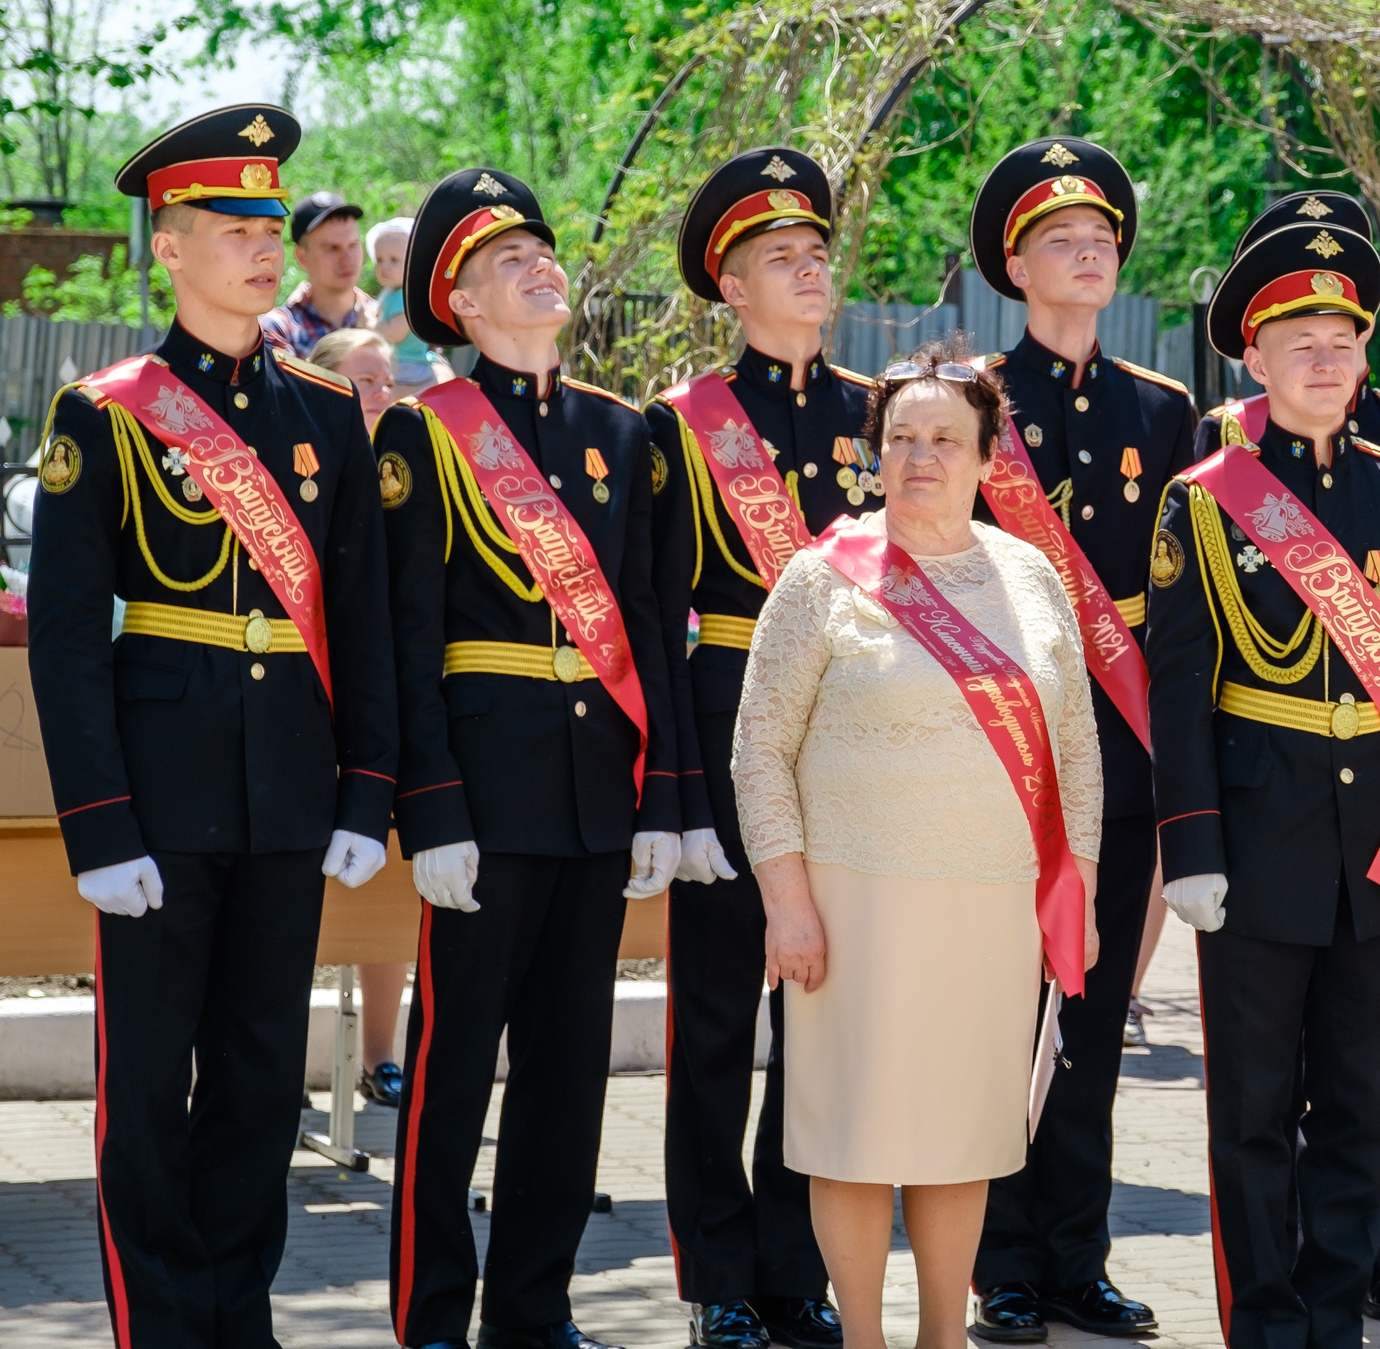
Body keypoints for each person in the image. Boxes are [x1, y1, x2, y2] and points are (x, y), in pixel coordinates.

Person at [27, 103, 400, 1349]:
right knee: (147, 1082)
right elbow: (72, 637)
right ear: (166, 247)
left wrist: (364, 792)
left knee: (256, 1076)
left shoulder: (319, 409)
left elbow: (363, 614)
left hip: (287, 788)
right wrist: (97, 823)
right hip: (157, 792)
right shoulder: (107, 412)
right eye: (229, 223)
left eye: (266, 220)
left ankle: (238, 1314)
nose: (259, 242)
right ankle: (160, 1322)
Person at [1147, 220, 1380, 1349]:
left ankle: (1333, 1321)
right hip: (1254, 835)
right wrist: (1187, 845)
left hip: (1377, 841)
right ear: (1254, 358)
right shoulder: (1204, 499)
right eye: (1299, 337)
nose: (1325, 357)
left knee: (1355, 1107)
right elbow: (1179, 686)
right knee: (1250, 1112)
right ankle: (1267, 1325)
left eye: (1342, 336)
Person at [729, 343, 1104, 1349]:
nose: (922, 457)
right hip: (852, 906)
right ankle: (864, 1337)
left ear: (988, 458)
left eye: (946, 438)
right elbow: (759, 745)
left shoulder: (1029, 574)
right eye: (901, 438)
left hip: (990, 903)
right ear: (874, 455)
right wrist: (787, 902)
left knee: (958, 1141)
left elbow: (1076, 747)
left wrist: (1082, 895)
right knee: (849, 1139)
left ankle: (943, 1335)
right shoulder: (820, 580)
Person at [376, 167, 684, 1349]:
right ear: (456, 295)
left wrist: (659, 798)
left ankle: (533, 1311)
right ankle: (433, 1314)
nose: (540, 268)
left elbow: (646, 625)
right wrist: (433, 807)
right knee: (453, 1080)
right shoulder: (425, 431)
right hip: (486, 796)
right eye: (510, 259)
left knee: (566, 1080)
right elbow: (408, 636)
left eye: (544, 252)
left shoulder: (621, 431)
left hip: (595, 797)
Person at [962, 137, 1197, 1343]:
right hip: (1002, 734)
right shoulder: (968, 404)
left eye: (1103, 236)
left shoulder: (1163, 409)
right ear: (1016, 263)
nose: (1090, 251)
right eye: (1063, 238)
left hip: (1120, 733)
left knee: (1097, 1004)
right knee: (1008, 1002)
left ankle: (1076, 1254)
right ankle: (1000, 1258)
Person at [646, 147, 871, 1349]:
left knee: (821, 1026)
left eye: (818, 254)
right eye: (781, 259)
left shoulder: (874, 415)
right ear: (730, 288)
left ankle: (794, 1268)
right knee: (719, 1026)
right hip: (734, 717)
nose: (809, 271)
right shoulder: (685, 426)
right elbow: (652, 613)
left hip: (851, 739)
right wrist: (676, 795)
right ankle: (714, 1275)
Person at [307, 324, 413, 1106]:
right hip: (316, 702)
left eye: (388, 380)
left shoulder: (415, 466)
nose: (382, 395)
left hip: (397, 708)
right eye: (365, 381)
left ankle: (382, 1052)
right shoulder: (310, 467)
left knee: (386, 906)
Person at [1197, 191, 1380, 490]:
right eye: (1303, 343)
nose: (1325, 363)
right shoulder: (1228, 430)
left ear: (1366, 319)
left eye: (1339, 339)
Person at [258, 189, 380, 356]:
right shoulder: (280, 329)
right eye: (332, 249)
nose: (347, 259)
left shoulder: (386, 317)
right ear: (302, 257)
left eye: (353, 245)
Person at [367, 216, 454, 396]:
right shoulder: (391, 292)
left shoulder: (405, 297)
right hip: (398, 361)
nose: (385, 266)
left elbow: (396, 334)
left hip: (407, 366)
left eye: (394, 260)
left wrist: (369, 325)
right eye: (380, 260)